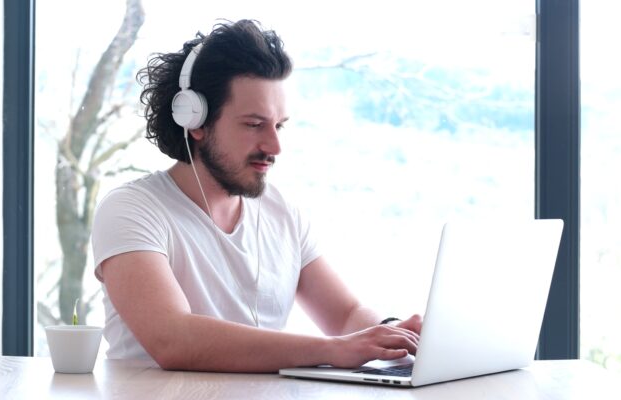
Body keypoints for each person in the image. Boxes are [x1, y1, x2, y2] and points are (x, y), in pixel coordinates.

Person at [92, 19, 422, 373]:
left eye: (278, 126)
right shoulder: (131, 210)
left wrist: (393, 333)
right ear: (195, 120)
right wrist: (334, 350)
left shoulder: (282, 212)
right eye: (254, 125)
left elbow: (346, 315)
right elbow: (174, 339)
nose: (274, 146)